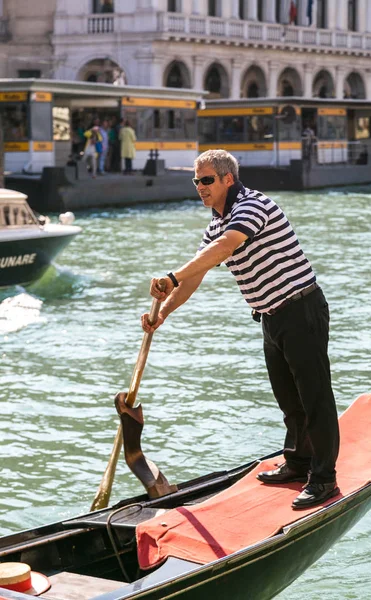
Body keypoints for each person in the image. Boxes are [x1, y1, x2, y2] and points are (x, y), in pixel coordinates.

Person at [141, 149, 340, 510]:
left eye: (206, 181)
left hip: (301, 309)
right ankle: (298, 462)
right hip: (271, 316)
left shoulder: (251, 205)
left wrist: (171, 276)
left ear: (227, 179)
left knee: (315, 400)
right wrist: (164, 312)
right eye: (196, 181)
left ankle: (324, 479)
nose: (199, 187)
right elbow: (196, 274)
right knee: (288, 400)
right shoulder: (216, 221)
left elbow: (224, 248)